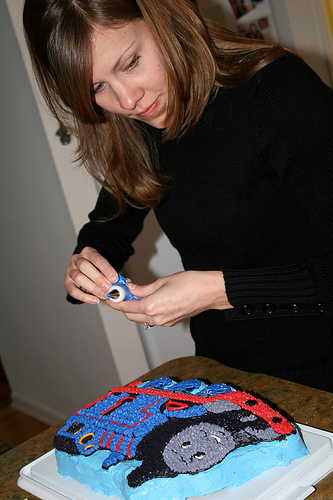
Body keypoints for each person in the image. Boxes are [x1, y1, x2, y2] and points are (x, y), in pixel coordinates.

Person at [23, 0, 333, 392]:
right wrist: (89, 259)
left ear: (165, 16)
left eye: (131, 62)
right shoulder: (141, 127)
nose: (128, 100)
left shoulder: (279, 94)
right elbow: (111, 222)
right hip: (224, 376)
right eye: (97, 87)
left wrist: (218, 291)